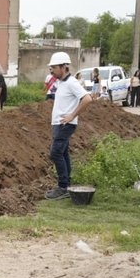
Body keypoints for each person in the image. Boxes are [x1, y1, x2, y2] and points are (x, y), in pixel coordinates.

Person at [45, 52, 92, 200]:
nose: (52, 70)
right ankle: (66, 185)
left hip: (66, 124)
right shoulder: (61, 82)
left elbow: (87, 99)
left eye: (54, 67)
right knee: (63, 153)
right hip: (59, 124)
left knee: (55, 153)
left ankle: (63, 187)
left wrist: (72, 115)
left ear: (64, 67)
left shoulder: (72, 82)